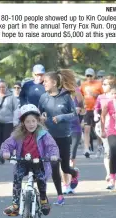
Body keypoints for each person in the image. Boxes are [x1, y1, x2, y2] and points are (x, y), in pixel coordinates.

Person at [0, 104, 59, 216]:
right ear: (23, 122)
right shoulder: (18, 134)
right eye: (27, 121)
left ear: (38, 121)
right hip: (22, 162)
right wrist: (6, 152)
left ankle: (43, 199)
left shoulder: (43, 134)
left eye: (33, 121)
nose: (31, 124)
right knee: (17, 176)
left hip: (38, 162)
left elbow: (52, 146)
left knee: (41, 178)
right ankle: (16, 204)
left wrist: (53, 155)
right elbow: (7, 144)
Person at [38, 69, 80, 205]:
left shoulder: (66, 97)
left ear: (54, 83)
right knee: (54, 165)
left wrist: (61, 117)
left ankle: (74, 174)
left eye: (46, 81)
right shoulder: (43, 97)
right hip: (49, 137)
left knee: (65, 168)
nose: (43, 83)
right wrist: (41, 117)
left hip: (64, 136)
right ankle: (60, 196)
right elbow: (39, 114)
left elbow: (74, 114)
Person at [100, 83, 116, 190]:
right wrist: (102, 130)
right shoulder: (109, 104)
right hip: (112, 131)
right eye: (113, 93)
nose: (115, 96)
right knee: (114, 152)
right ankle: (112, 179)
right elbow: (102, 115)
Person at [94, 75, 116, 182]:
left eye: (105, 84)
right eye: (102, 84)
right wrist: (96, 115)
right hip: (104, 126)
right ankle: (109, 173)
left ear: (111, 85)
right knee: (107, 149)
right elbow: (96, 108)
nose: (102, 86)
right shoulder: (100, 97)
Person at [62, 85, 85, 195]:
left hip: (75, 129)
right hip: (62, 130)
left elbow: (83, 110)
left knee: (71, 158)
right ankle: (66, 184)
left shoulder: (76, 93)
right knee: (62, 159)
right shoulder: (57, 97)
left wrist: (80, 111)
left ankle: (72, 175)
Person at [80, 68, 104, 158]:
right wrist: (82, 106)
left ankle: (99, 147)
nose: (89, 77)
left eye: (90, 75)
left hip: (97, 109)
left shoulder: (98, 84)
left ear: (94, 75)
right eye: (87, 75)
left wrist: (95, 95)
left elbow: (103, 95)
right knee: (86, 129)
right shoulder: (83, 85)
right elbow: (81, 96)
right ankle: (86, 149)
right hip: (87, 110)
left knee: (97, 130)